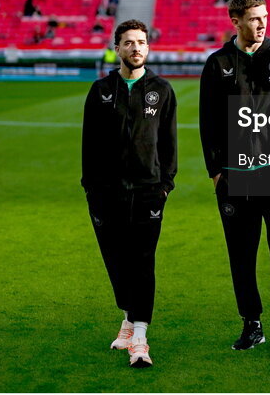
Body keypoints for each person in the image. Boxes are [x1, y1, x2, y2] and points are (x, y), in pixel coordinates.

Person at [198, 0, 270, 357]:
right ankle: (252, 324)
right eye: (254, 18)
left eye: (265, 17)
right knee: (241, 256)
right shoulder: (217, 63)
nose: (262, 24)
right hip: (233, 178)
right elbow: (208, 121)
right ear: (236, 21)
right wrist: (216, 172)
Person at [81, 19, 177, 369]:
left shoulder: (162, 90)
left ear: (148, 48)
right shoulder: (101, 90)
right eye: (129, 43)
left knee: (142, 259)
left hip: (149, 190)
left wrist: (166, 184)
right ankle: (127, 318)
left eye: (142, 42)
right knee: (116, 261)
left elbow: (168, 143)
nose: (136, 48)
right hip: (105, 193)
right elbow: (89, 143)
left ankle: (139, 335)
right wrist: (90, 187)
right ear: (117, 48)